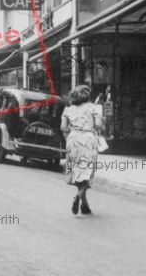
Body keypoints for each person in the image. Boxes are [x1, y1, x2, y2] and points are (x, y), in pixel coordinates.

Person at [61, 84, 103, 215]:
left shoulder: (67, 109)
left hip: (73, 139)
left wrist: (72, 134)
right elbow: (98, 126)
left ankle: (85, 206)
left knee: (77, 172)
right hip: (88, 139)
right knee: (88, 172)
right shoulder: (95, 108)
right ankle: (78, 195)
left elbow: (63, 128)